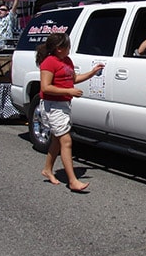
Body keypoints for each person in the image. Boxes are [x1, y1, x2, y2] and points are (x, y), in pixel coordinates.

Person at [36, 32, 104, 192]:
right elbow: (45, 87)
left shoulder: (66, 60)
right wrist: (69, 91)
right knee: (66, 141)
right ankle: (73, 181)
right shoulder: (49, 62)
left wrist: (92, 72)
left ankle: (47, 169)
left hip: (63, 105)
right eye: (68, 47)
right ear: (59, 48)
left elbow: (73, 79)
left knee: (56, 140)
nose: (70, 49)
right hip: (53, 105)